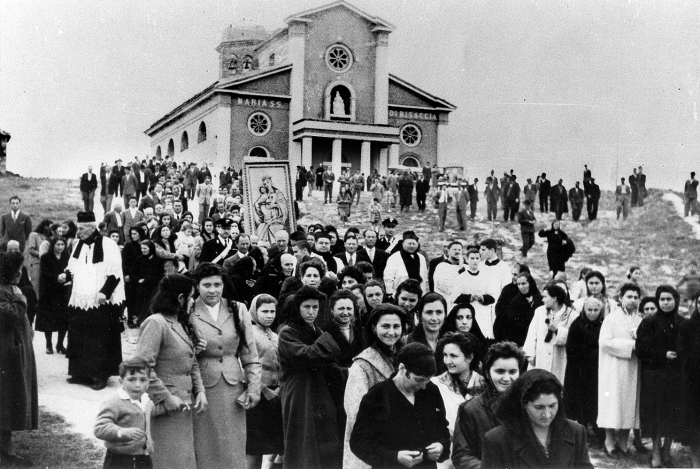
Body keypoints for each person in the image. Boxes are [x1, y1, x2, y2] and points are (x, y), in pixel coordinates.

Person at [188, 262, 261, 469]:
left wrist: (254, 388)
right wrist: (193, 347)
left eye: (217, 285)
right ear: (197, 286)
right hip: (201, 386)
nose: (213, 290)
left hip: (232, 388)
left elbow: (250, 352)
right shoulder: (189, 310)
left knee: (233, 443)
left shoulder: (238, 309)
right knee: (205, 443)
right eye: (207, 285)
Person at [134, 274, 206, 469]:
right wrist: (166, 397)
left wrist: (200, 391)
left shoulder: (180, 322)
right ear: (180, 298)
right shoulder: (156, 323)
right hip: (163, 407)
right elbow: (141, 365)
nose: (193, 302)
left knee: (182, 461)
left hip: (183, 405)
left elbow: (192, 363)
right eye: (191, 297)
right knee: (166, 461)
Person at [350, 342, 451, 468]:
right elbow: (359, 442)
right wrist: (394, 457)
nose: (424, 386)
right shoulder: (377, 396)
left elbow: (442, 427)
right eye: (419, 380)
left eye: (428, 380)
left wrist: (441, 445)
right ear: (402, 368)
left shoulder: (431, 391)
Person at [279, 285, 342, 469]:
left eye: (315, 307)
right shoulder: (287, 332)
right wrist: (328, 339)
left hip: (319, 390)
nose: (312, 312)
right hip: (298, 392)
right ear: (297, 307)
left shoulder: (317, 331)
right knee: (302, 442)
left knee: (324, 440)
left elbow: (329, 362)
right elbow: (306, 355)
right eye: (307, 307)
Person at [481, 369, 593, 469]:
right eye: (539, 407)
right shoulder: (497, 440)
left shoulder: (576, 432)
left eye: (552, 406)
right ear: (523, 404)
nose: (547, 414)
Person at [66, 211, 126, 391]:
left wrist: (105, 293)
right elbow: (73, 267)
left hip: (101, 301)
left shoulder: (108, 245)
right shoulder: (78, 244)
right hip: (81, 299)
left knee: (99, 339)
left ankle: (100, 375)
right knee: (78, 336)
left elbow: (115, 273)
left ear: (92, 227)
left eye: (82, 228)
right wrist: (65, 275)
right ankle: (80, 373)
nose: (79, 232)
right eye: (78, 228)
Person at [343, 304, 407, 469]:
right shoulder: (363, 364)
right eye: (385, 326)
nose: (391, 332)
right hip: (373, 444)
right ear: (373, 327)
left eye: (396, 326)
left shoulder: (406, 357)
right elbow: (354, 409)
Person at [452, 342, 527, 469]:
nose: (507, 378)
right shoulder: (470, 409)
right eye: (500, 371)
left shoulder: (529, 406)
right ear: (487, 373)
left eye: (512, 371)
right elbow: (461, 456)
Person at [635, 285, 684, 467]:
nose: (665, 303)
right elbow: (641, 348)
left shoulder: (681, 322)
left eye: (668, 299)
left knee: (672, 414)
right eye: (662, 299)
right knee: (655, 414)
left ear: (675, 300)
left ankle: (667, 450)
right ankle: (655, 452)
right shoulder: (649, 322)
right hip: (655, 375)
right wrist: (663, 354)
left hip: (676, 377)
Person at [0, 250, 38, 466]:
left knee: (10, 398)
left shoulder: (10, 288)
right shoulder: (7, 291)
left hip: (14, 351)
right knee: (6, 397)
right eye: (16, 272)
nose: (19, 275)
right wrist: (20, 298)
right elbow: (9, 313)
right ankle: (7, 449)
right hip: (6, 353)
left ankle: (6, 444)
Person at [597, 282, 643, 457]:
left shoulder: (639, 320)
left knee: (629, 403)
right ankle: (609, 441)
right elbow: (605, 342)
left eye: (635, 297)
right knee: (613, 403)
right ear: (620, 298)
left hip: (632, 368)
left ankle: (623, 442)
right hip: (613, 367)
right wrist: (632, 344)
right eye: (629, 297)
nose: (632, 300)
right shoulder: (611, 318)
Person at [432, 333, 485, 469]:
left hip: (477, 454)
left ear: (470, 357)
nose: (447, 361)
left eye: (454, 356)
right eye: (445, 355)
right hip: (446, 455)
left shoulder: (485, 385)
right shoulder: (435, 385)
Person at [94, 359, 156, 469]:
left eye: (143, 380)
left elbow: (149, 412)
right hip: (120, 460)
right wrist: (121, 432)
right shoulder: (115, 402)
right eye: (131, 379)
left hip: (143, 457)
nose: (137, 385)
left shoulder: (146, 400)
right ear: (121, 381)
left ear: (148, 382)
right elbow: (100, 428)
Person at [246, 294, 284, 469]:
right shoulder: (248, 333)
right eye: (265, 311)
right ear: (255, 312)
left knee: (272, 445)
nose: (270, 315)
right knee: (254, 447)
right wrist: (264, 390)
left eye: (272, 311)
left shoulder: (274, 334)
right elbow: (244, 366)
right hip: (257, 397)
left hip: (276, 396)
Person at [564, 297, 604, 443]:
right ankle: (581, 429)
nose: (593, 313)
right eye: (590, 310)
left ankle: (596, 428)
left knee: (594, 400)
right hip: (579, 370)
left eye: (596, 310)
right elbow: (571, 348)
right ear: (584, 310)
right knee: (579, 401)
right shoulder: (577, 324)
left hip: (596, 370)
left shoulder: (603, 324)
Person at [523, 283, 576, 383]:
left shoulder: (572, 315)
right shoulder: (539, 312)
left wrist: (557, 330)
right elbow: (532, 332)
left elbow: (573, 338)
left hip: (560, 358)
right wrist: (530, 354)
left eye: (545, 297)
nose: (542, 300)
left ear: (554, 298)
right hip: (540, 357)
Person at [35, 236, 71, 354]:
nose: (60, 247)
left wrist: (65, 276)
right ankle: (48, 344)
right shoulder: (46, 257)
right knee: (48, 319)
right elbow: (44, 273)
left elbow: (70, 270)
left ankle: (60, 344)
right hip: (49, 291)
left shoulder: (67, 257)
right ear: (53, 245)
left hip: (63, 291)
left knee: (63, 318)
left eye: (62, 244)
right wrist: (56, 277)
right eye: (57, 244)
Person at [678, 292, 700, 467]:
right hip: (695, 382)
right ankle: (695, 459)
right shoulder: (688, 326)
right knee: (695, 424)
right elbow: (683, 353)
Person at [497, 272, 543, 347]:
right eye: (518, 284)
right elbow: (513, 326)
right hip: (522, 341)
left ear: (530, 283)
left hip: (539, 338)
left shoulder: (539, 299)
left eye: (523, 283)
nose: (521, 287)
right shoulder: (515, 302)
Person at [383, 231, 429, 298]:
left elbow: (424, 278)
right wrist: (390, 293)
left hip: (417, 293)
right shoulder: (395, 257)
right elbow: (388, 277)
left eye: (414, 244)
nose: (411, 246)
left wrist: (423, 294)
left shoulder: (421, 258)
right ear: (403, 244)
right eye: (409, 243)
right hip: (399, 293)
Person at [132, 240, 163, 325]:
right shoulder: (138, 259)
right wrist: (138, 280)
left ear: (151, 248)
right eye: (142, 248)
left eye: (145, 248)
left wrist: (146, 280)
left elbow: (159, 276)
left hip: (153, 286)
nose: (143, 250)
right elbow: (134, 273)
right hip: (141, 287)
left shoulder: (158, 260)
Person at [24, 218, 52, 299]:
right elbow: (31, 250)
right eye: (49, 227)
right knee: (35, 285)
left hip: (46, 264)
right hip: (37, 263)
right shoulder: (34, 235)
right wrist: (43, 255)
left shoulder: (49, 237)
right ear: (45, 226)